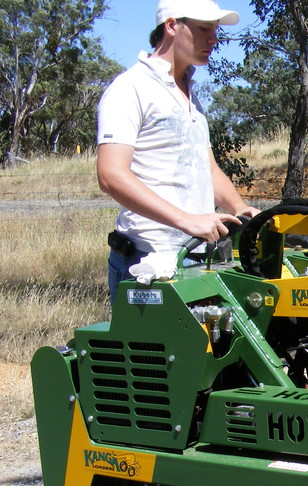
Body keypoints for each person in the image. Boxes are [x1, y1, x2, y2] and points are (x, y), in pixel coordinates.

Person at [97, 0, 260, 302]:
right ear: (172, 26)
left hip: (198, 259)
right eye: (203, 29)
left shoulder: (190, 96)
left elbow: (208, 169)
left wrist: (240, 209)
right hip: (148, 264)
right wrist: (187, 220)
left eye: (216, 31)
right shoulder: (130, 88)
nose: (213, 40)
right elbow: (110, 175)